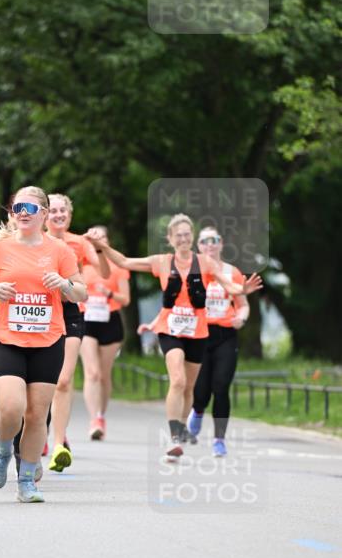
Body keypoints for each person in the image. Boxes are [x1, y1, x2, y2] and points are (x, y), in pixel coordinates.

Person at [88, 213, 262, 461]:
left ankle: (181, 431)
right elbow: (125, 262)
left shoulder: (205, 264)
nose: (183, 239)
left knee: (189, 387)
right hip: (170, 329)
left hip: (198, 331)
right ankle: (173, 437)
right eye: (178, 235)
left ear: (191, 237)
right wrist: (102, 247)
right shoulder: (161, 261)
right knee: (178, 380)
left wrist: (242, 289)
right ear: (170, 239)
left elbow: (230, 287)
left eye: (186, 234)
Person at [0, 186, 86, 503]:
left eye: (31, 207)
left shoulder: (60, 251)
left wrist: (64, 285)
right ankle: (4, 448)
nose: (23, 212)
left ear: (44, 214)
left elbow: (82, 292)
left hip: (48, 338)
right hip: (9, 336)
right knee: (11, 407)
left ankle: (27, 482)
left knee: (36, 414)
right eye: (18, 206)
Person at [44, 193, 106, 471]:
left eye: (62, 211)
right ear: (45, 214)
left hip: (70, 312)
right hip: (40, 311)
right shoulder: (34, 240)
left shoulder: (79, 242)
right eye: (53, 210)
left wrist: (100, 247)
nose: (58, 215)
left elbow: (102, 270)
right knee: (41, 380)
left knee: (64, 380)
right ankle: (38, 428)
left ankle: (59, 443)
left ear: (69, 215)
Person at [186, 226, 251, 456]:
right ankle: (197, 412)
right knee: (201, 391)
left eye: (215, 240)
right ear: (199, 246)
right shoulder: (192, 272)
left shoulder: (232, 272)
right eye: (205, 241)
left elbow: (242, 304)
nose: (210, 245)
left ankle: (219, 440)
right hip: (200, 334)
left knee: (221, 387)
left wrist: (240, 318)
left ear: (221, 244)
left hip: (225, 335)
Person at [79, 225, 131, 441]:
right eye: (94, 236)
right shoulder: (81, 264)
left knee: (104, 373)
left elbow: (125, 299)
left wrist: (109, 293)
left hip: (110, 320)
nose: (98, 239)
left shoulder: (117, 265)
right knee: (92, 372)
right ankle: (94, 420)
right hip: (87, 320)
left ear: (107, 241)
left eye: (102, 236)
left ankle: (102, 413)